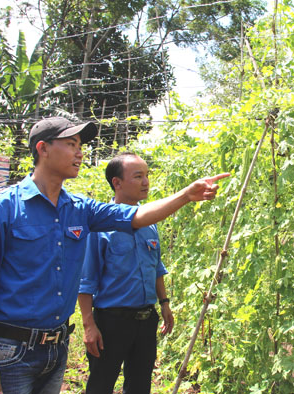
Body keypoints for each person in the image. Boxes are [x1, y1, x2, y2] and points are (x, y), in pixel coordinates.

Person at [0, 117, 229, 394]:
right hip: (11, 350)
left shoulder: (80, 209)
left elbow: (136, 215)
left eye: (80, 145)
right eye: (71, 144)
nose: (80, 152)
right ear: (43, 149)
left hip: (56, 349)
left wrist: (186, 195)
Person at [78, 152, 174, 394]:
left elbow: (156, 267)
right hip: (111, 321)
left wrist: (164, 304)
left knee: (140, 384)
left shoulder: (150, 223)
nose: (146, 182)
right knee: (101, 383)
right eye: (138, 176)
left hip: (145, 319)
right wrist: (89, 325)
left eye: (147, 176)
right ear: (117, 183)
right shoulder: (100, 227)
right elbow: (86, 280)